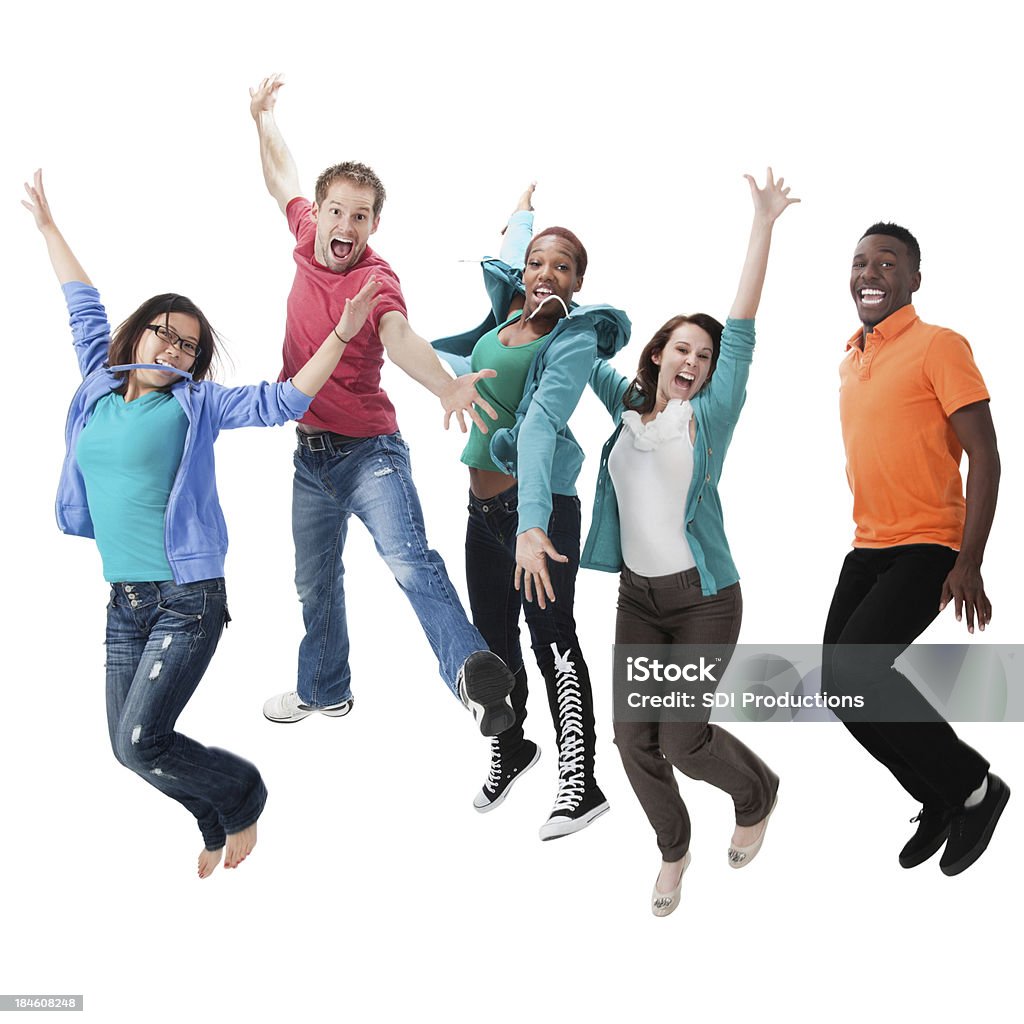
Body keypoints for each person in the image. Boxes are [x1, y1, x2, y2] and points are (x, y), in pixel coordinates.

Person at [25, 169, 381, 878]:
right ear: (138, 335)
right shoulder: (98, 379)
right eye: (162, 334)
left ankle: (243, 793)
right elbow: (81, 303)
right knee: (130, 746)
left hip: (185, 601)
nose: (173, 349)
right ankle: (212, 812)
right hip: (125, 602)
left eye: (187, 345)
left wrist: (341, 335)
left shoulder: (198, 405)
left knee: (137, 742)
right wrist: (47, 228)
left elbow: (282, 402)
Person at [248, 74, 515, 733]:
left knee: (409, 559)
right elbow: (281, 174)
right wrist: (262, 120)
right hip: (309, 454)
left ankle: (473, 674)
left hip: (371, 454)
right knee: (313, 582)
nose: (345, 225)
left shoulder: (376, 280)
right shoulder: (308, 229)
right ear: (321, 209)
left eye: (360, 216)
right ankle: (324, 689)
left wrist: (445, 385)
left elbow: (399, 339)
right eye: (337, 210)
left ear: (373, 224)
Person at [582, 170, 797, 916]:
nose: (693, 361)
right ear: (657, 355)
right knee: (630, 740)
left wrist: (763, 223)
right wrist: (534, 277)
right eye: (682, 348)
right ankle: (674, 850)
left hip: (703, 599)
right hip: (637, 601)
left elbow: (741, 323)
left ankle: (758, 789)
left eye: (703, 356)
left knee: (681, 739)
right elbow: (576, 351)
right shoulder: (629, 405)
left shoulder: (712, 413)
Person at [432, 185, 631, 839]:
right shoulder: (509, 312)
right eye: (539, 262)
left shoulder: (570, 340)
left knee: (553, 639)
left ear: (579, 283)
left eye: (564, 267)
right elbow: (509, 255)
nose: (547, 272)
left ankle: (583, 780)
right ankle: (512, 746)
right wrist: (521, 216)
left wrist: (533, 528)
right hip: (481, 511)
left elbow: (543, 424)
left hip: (537, 514)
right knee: (493, 644)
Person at [822, 221, 1009, 876]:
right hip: (867, 546)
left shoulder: (940, 345)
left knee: (857, 671)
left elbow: (985, 454)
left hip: (929, 542)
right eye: (860, 262)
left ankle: (975, 790)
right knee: (839, 686)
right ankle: (937, 796)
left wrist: (970, 560)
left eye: (888, 263)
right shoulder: (851, 359)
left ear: (914, 279)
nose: (870, 274)